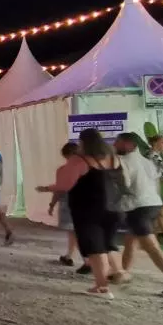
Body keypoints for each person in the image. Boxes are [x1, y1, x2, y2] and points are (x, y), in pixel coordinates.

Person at [38, 129, 127, 300]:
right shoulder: (113, 159)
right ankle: (118, 271)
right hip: (114, 208)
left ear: (83, 142)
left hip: (88, 210)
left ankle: (102, 287)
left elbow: (65, 185)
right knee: (107, 244)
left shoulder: (80, 160)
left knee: (95, 248)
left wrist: (46, 188)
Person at [113, 133, 163, 295]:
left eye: (117, 142)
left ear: (129, 144)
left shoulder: (123, 162)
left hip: (138, 207)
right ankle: (124, 272)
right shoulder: (148, 162)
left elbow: (125, 185)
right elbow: (156, 182)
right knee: (131, 241)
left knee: (152, 247)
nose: (114, 145)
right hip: (152, 203)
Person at [46, 143, 84, 271]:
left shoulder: (63, 170)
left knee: (73, 231)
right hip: (86, 203)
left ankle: (88, 260)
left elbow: (59, 189)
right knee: (77, 232)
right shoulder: (87, 168)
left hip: (69, 202)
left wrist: (52, 204)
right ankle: (69, 255)